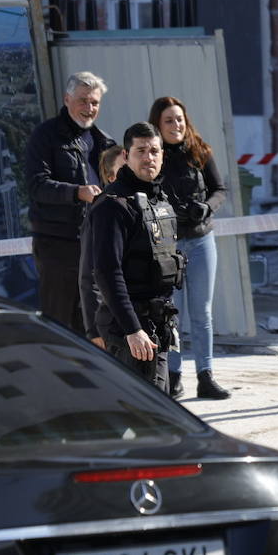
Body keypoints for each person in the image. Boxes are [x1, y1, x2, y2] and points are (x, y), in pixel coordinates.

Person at [88, 122, 184, 392]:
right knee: (144, 419)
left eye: (154, 150)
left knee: (158, 414)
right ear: (127, 156)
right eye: (140, 150)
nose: (148, 157)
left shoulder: (159, 199)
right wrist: (132, 330)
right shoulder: (113, 205)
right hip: (130, 331)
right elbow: (107, 273)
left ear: (163, 155)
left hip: (157, 326)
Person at [150, 96, 231, 401]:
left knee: (202, 312)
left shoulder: (200, 150)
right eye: (169, 120)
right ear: (158, 124)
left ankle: (205, 375)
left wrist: (206, 208)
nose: (176, 125)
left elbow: (220, 189)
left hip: (201, 240)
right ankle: (173, 376)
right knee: (172, 314)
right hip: (168, 246)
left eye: (180, 119)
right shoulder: (153, 155)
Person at [24, 71, 114, 334]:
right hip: (58, 245)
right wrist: (78, 193)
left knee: (95, 325)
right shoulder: (45, 136)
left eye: (95, 102)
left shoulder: (104, 141)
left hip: (97, 243)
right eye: (83, 100)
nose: (89, 108)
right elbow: (36, 185)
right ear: (67, 99)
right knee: (59, 326)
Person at [78, 145, 126, 352]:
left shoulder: (150, 206)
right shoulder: (102, 211)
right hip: (115, 324)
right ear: (110, 176)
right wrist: (94, 331)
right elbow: (89, 275)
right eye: (124, 169)